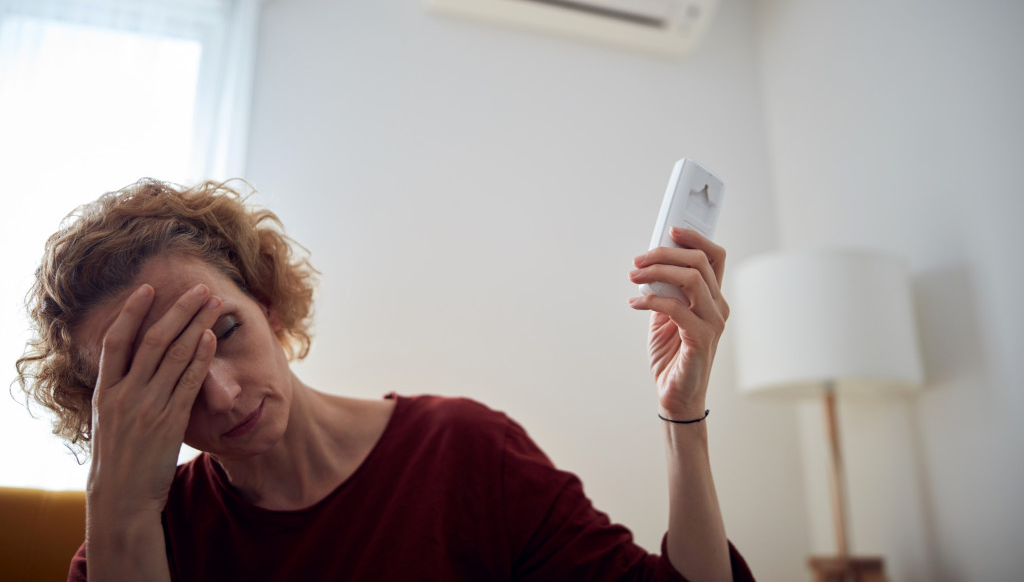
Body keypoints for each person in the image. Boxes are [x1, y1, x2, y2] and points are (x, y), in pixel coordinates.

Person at [16, 179, 754, 582]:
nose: (225, 394)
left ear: (267, 304)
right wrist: (119, 508)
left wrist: (682, 416)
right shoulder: (137, 537)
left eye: (227, 333)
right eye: (167, 378)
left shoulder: (464, 453)